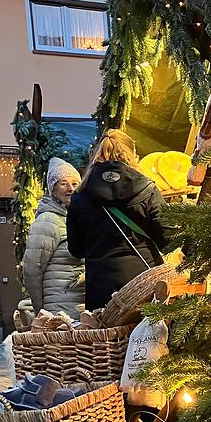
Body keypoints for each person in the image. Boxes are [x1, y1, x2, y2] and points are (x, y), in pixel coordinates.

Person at [67, 129, 167, 310]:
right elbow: (166, 238)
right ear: (132, 154)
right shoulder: (147, 188)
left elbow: (76, 249)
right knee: (149, 337)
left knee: (106, 337)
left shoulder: (80, 195)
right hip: (143, 284)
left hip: (100, 287)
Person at [22, 157, 84, 316]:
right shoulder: (48, 221)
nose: (70, 188)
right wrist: (40, 310)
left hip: (80, 303)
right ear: (53, 189)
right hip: (61, 309)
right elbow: (32, 269)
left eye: (75, 184)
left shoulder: (80, 218)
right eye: (63, 183)